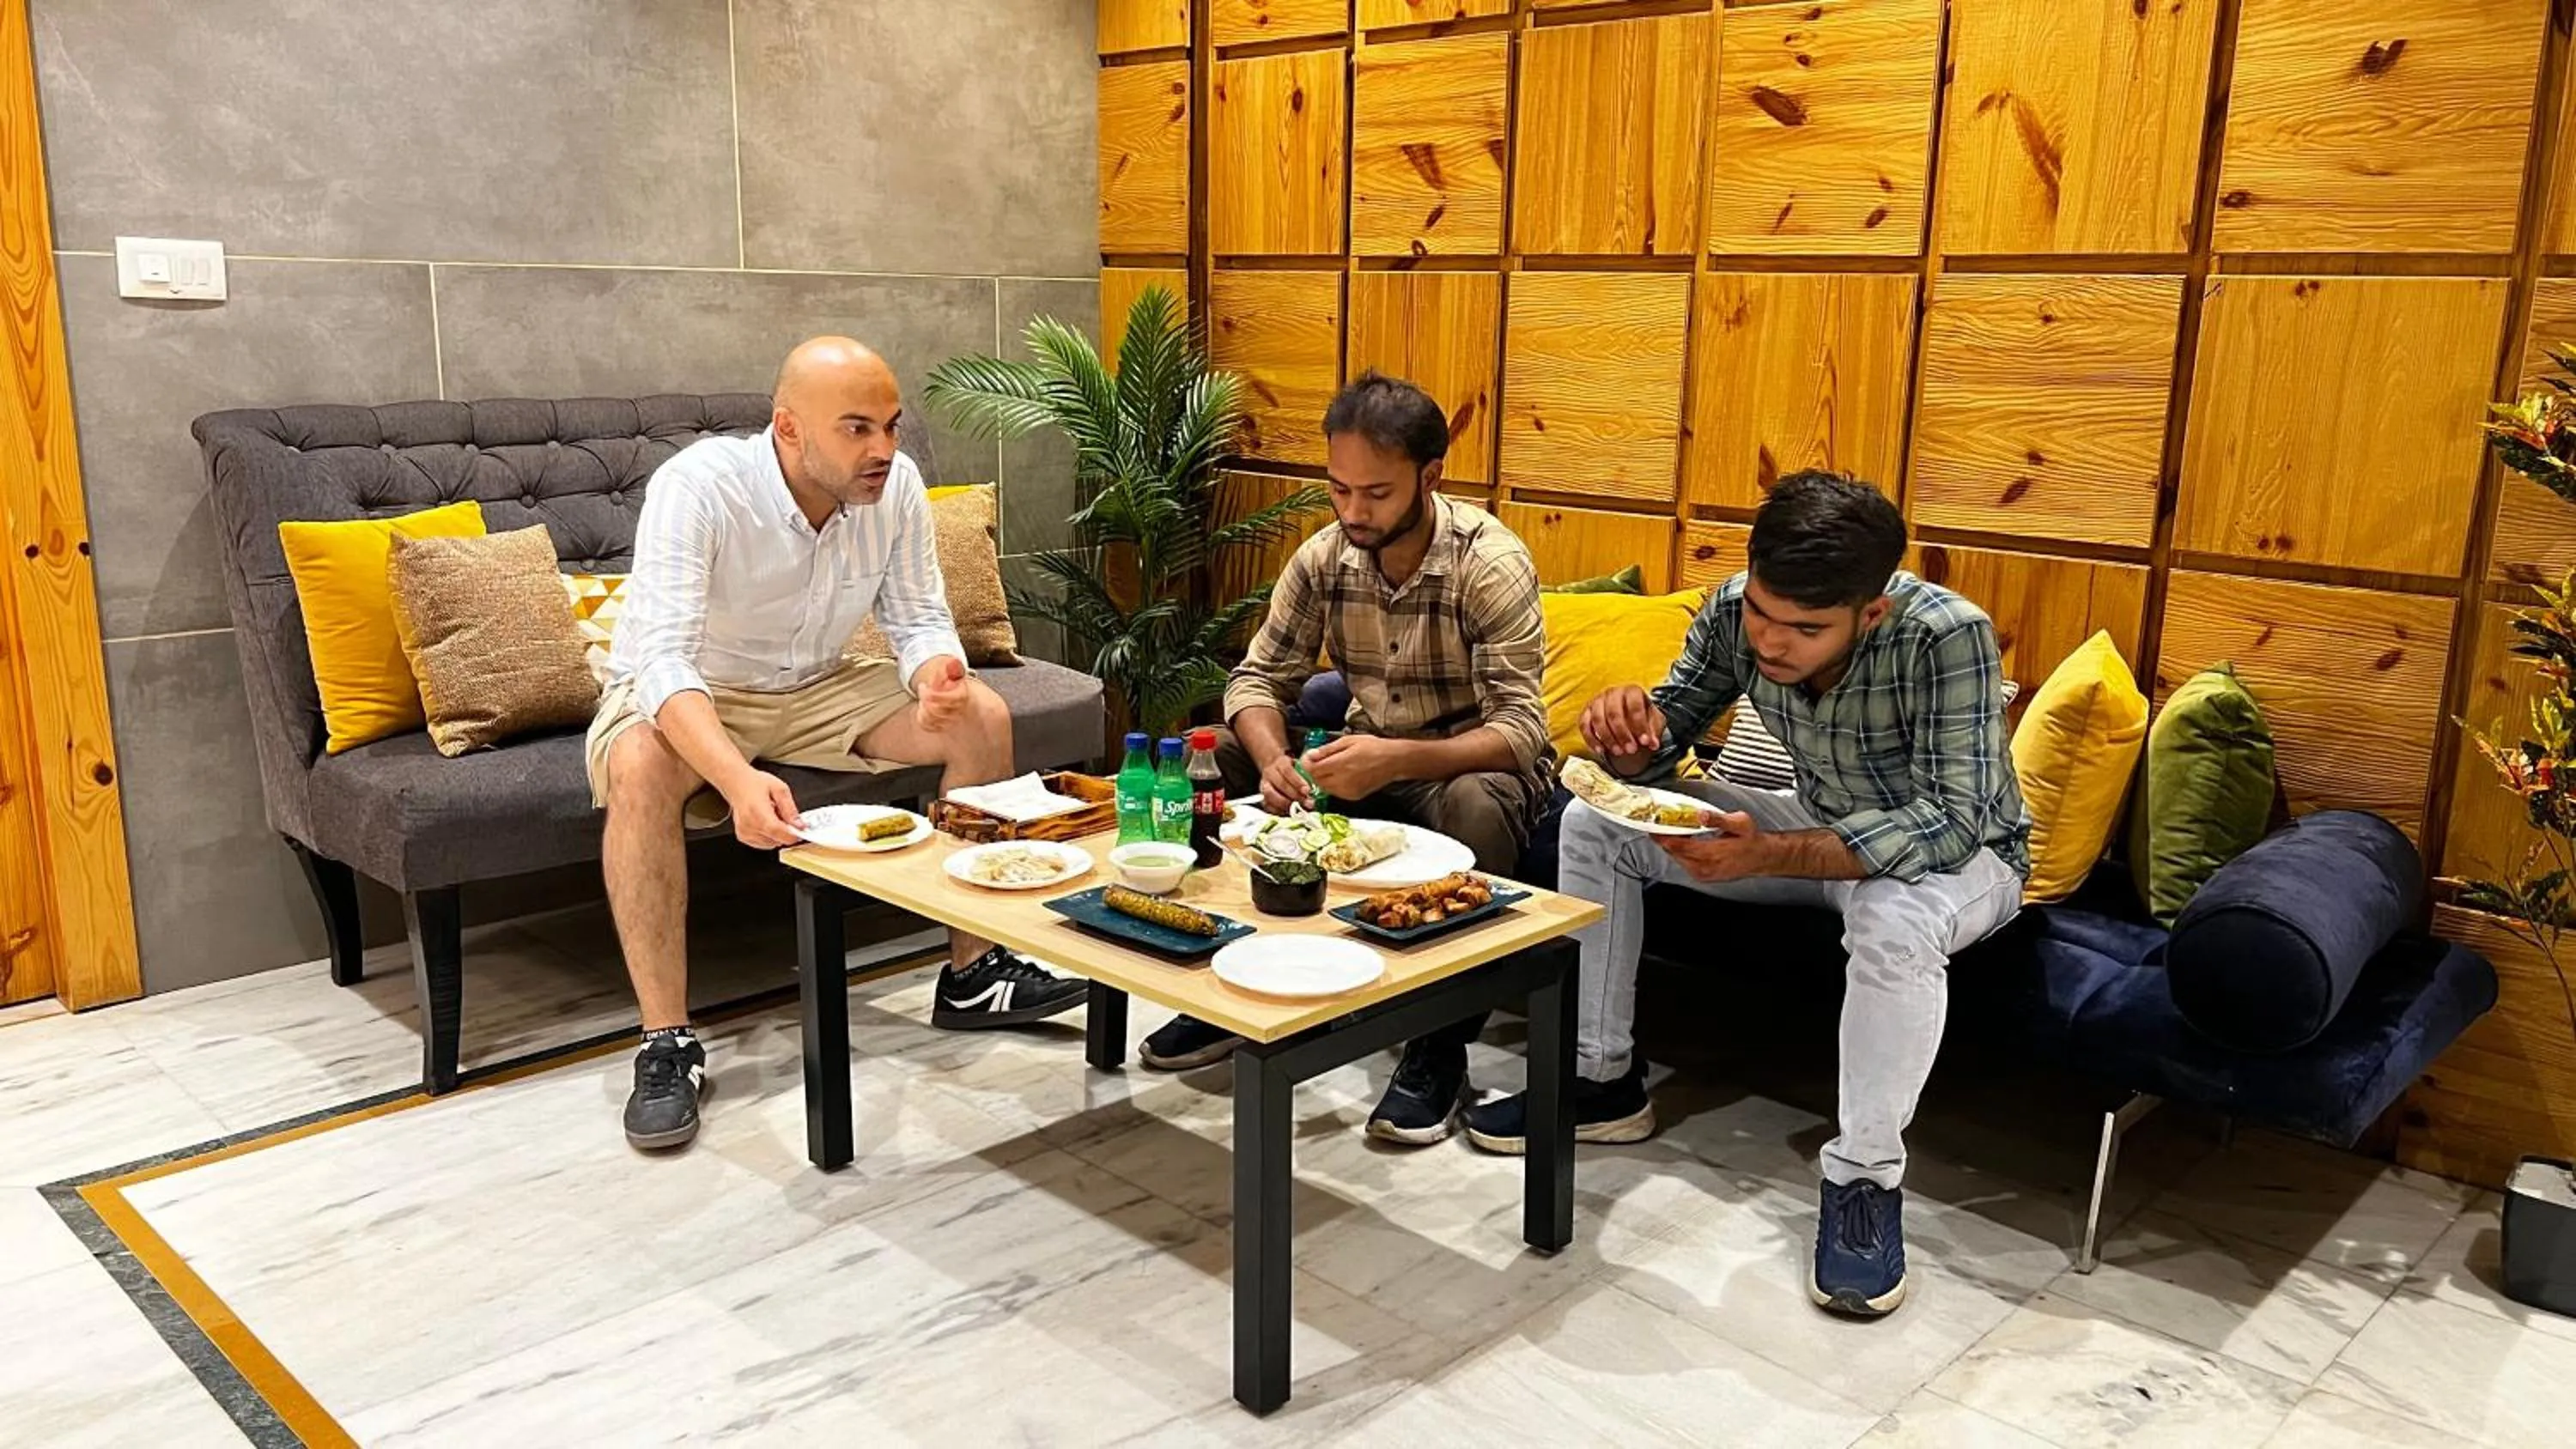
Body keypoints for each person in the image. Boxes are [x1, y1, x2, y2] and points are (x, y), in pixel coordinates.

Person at [1460, 472, 2030, 1320]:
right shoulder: (1735, 611)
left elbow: (1950, 824)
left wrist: (1773, 851)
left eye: (1805, 628)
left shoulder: (1947, 637)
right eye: (1763, 611)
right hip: (1818, 819)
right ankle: (1601, 1079)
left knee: (1893, 914)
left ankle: (1865, 1180)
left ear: (1868, 613)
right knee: (1592, 825)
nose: (1771, 639)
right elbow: (1667, 733)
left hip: (1962, 858)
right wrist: (1632, 736)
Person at [591, 336, 1085, 1152]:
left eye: (891, 426)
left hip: (819, 683)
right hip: (695, 691)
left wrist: (936, 673)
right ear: (788, 429)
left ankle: (971, 974)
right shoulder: (699, 488)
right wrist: (737, 780)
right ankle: (666, 1042)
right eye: (857, 429)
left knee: (983, 717)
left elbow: (919, 618)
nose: (884, 450)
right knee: (641, 763)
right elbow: (662, 661)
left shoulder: (895, 489)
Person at [1137, 372, 1552, 1145]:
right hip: (1360, 755)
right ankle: (1224, 987)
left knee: (1478, 801)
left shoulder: (1487, 563)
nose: (1354, 512)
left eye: (1376, 493)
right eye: (1339, 489)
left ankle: (1441, 1046)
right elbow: (1257, 679)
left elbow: (1522, 730)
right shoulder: (1326, 556)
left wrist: (1395, 760)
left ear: (1431, 478)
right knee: (1217, 755)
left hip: (1463, 765)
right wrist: (1272, 760)